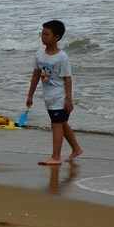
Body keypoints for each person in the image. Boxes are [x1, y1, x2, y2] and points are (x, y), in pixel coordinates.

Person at [27, 19, 83, 166]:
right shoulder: (39, 54)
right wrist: (30, 95)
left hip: (61, 95)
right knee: (62, 123)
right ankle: (76, 149)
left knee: (56, 124)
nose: (43, 37)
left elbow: (68, 78)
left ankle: (56, 157)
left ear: (56, 37)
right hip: (49, 96)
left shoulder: (62, 57)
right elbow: (35, 75)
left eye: (46, 34)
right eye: (42, 34)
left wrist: (69, 99)